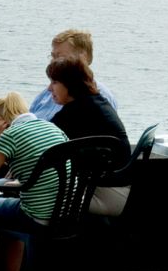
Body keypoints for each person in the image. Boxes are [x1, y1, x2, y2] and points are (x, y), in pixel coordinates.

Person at [0, 94, 68, 271]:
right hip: (68, 213)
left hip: (38, 216)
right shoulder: (52, 127)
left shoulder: (11, 135)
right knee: (10, 206)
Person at [47, 55, 131, 216]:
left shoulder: (74, 112)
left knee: (32, 201)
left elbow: (39, 143)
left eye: (54, 82)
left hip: (103, 193)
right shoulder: (96, 104)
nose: (49, 88)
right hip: (118, 190)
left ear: (70, 84)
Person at [26, 28, 118, 121]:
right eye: (53, 56)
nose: (53, 62)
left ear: (83, 59)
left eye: (60, 57)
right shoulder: (46, 95)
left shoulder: (101, 97)